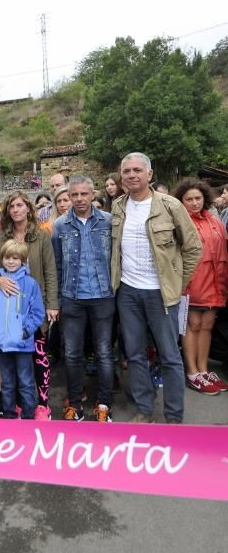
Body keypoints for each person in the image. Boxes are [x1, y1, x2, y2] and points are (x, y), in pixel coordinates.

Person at [111, 153, 202, 423]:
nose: (131, 175)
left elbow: (193, 248)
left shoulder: (170, 205)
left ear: (149, 174)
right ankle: (144, 410)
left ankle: (174, 417)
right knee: (135, 354)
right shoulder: (118, 206)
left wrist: (176, 282)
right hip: (127, 292)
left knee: (170, 356)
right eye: (126, 171)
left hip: (161, 295)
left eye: (138, 170)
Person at [0, 190, 58, 419]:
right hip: (6, 307)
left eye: (19, 205)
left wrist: (52, 304)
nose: (15, 210)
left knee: (37, 358)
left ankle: (41, 405)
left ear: (28, 208)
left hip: (33, 306)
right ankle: (14, 406)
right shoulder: (1, 236)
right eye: (11, 207)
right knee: (10, 365)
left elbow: (50, 270)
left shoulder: (40, 235)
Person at [52, 176, 115, 422]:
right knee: (72, 353)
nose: (79, 199)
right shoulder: (60, 225)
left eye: (83, 194)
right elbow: (57, 264)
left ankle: (104, 404)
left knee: (103, 352)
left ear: (92, 194)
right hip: (72, 297)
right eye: (74, 195)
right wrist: (56, 300)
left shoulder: (108, 222)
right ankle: (75, 403)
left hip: (103, 296)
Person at [173, 178, 228, 395]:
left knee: (207, 326)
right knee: (192, 325)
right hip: (192, 282)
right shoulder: (180, 221)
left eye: (198, 198)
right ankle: (193, 372)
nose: (195, 202)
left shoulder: (214, 220)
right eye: (189, 199)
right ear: (182, 201)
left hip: (215, 281)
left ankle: (203, 370)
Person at [0, 241, 45, 418]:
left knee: (26, 382)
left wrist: (24, 332)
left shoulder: (30, 284)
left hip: (22, 344)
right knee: (7, 383)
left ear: (22, 260)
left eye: (15, 258)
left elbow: (38, 312)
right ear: (1, 260)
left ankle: (28, 417)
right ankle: (9, 416)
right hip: (1, 344)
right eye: (6, 258)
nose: (10, 261)